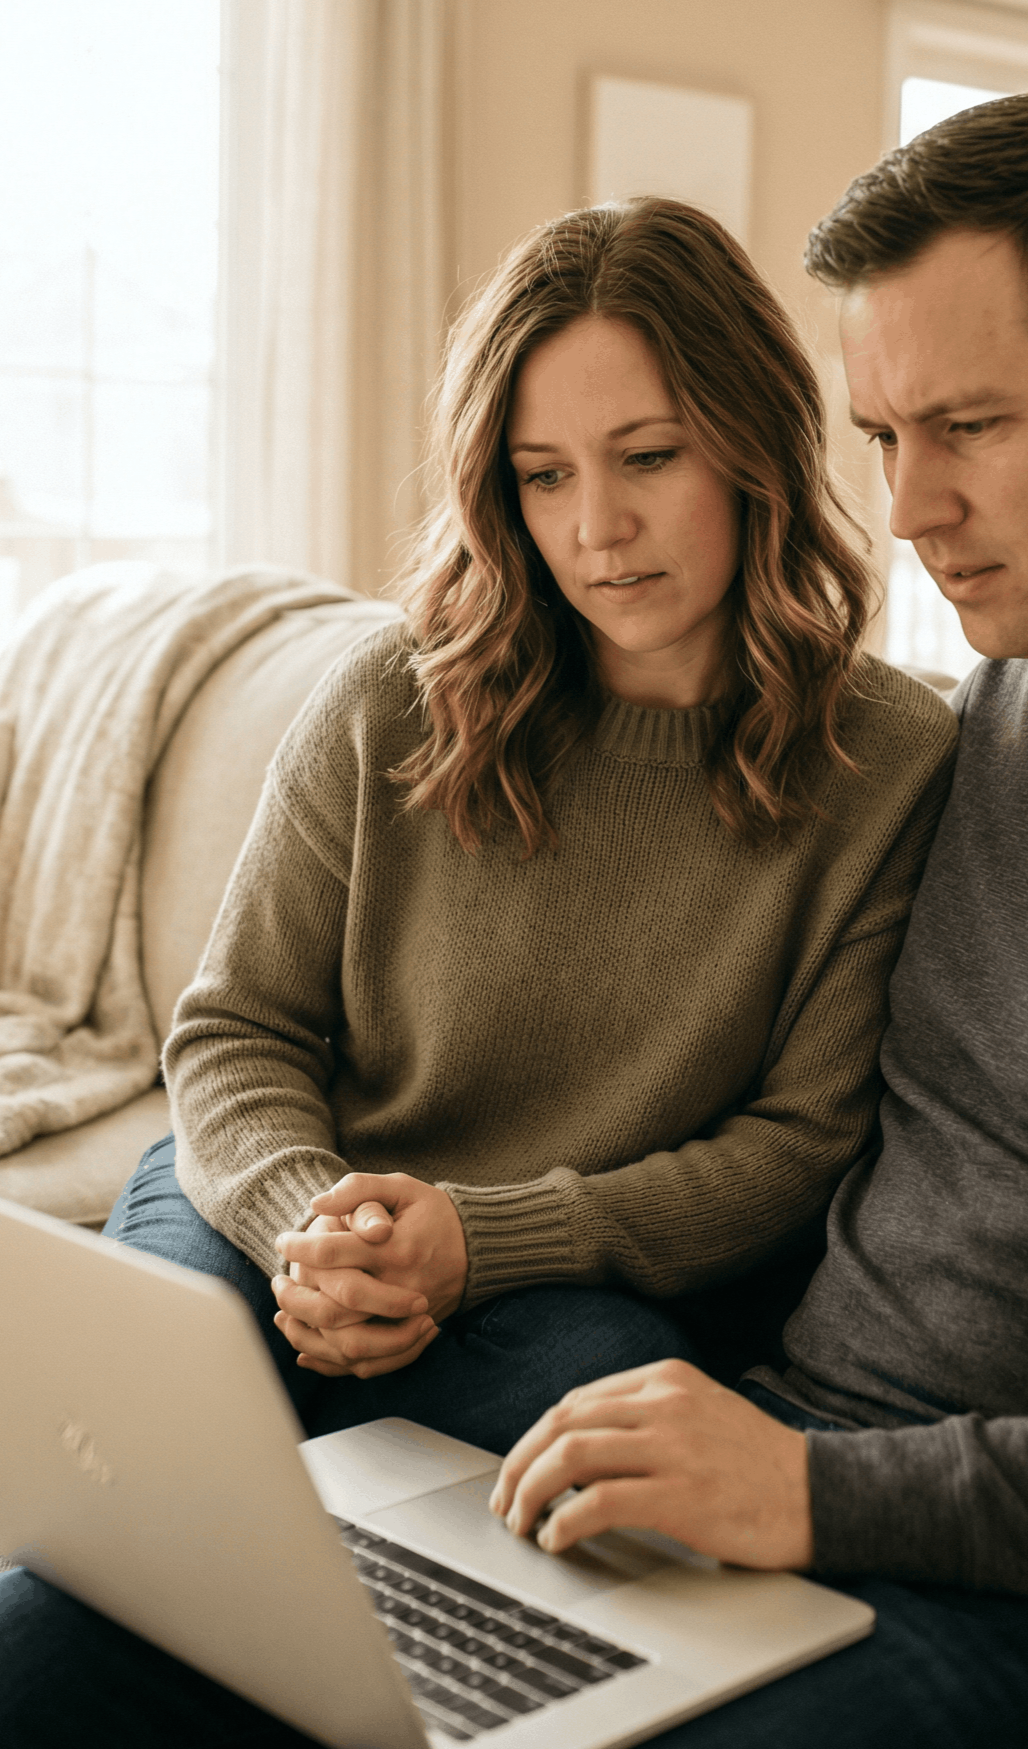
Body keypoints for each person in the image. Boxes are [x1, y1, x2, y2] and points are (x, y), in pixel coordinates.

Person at [2, 91, 1028, 1749]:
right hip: (747, 1461)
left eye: (967, 427)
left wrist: (815, 1493)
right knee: (26, 1695)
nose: (910, 507)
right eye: (882, 436)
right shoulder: (996, 720)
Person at [101, 194, 955, 1452]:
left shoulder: (887, 758)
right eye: (543, 475)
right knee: (129, 1469)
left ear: (753, 443)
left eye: (648, 456)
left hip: (558, 1280)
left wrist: (477, 1241)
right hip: (295, 1206)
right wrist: (316, 1230)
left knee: (608, 1421)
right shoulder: (391, 694)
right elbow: (237, 1028)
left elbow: (801, 1148)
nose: (595, 528)